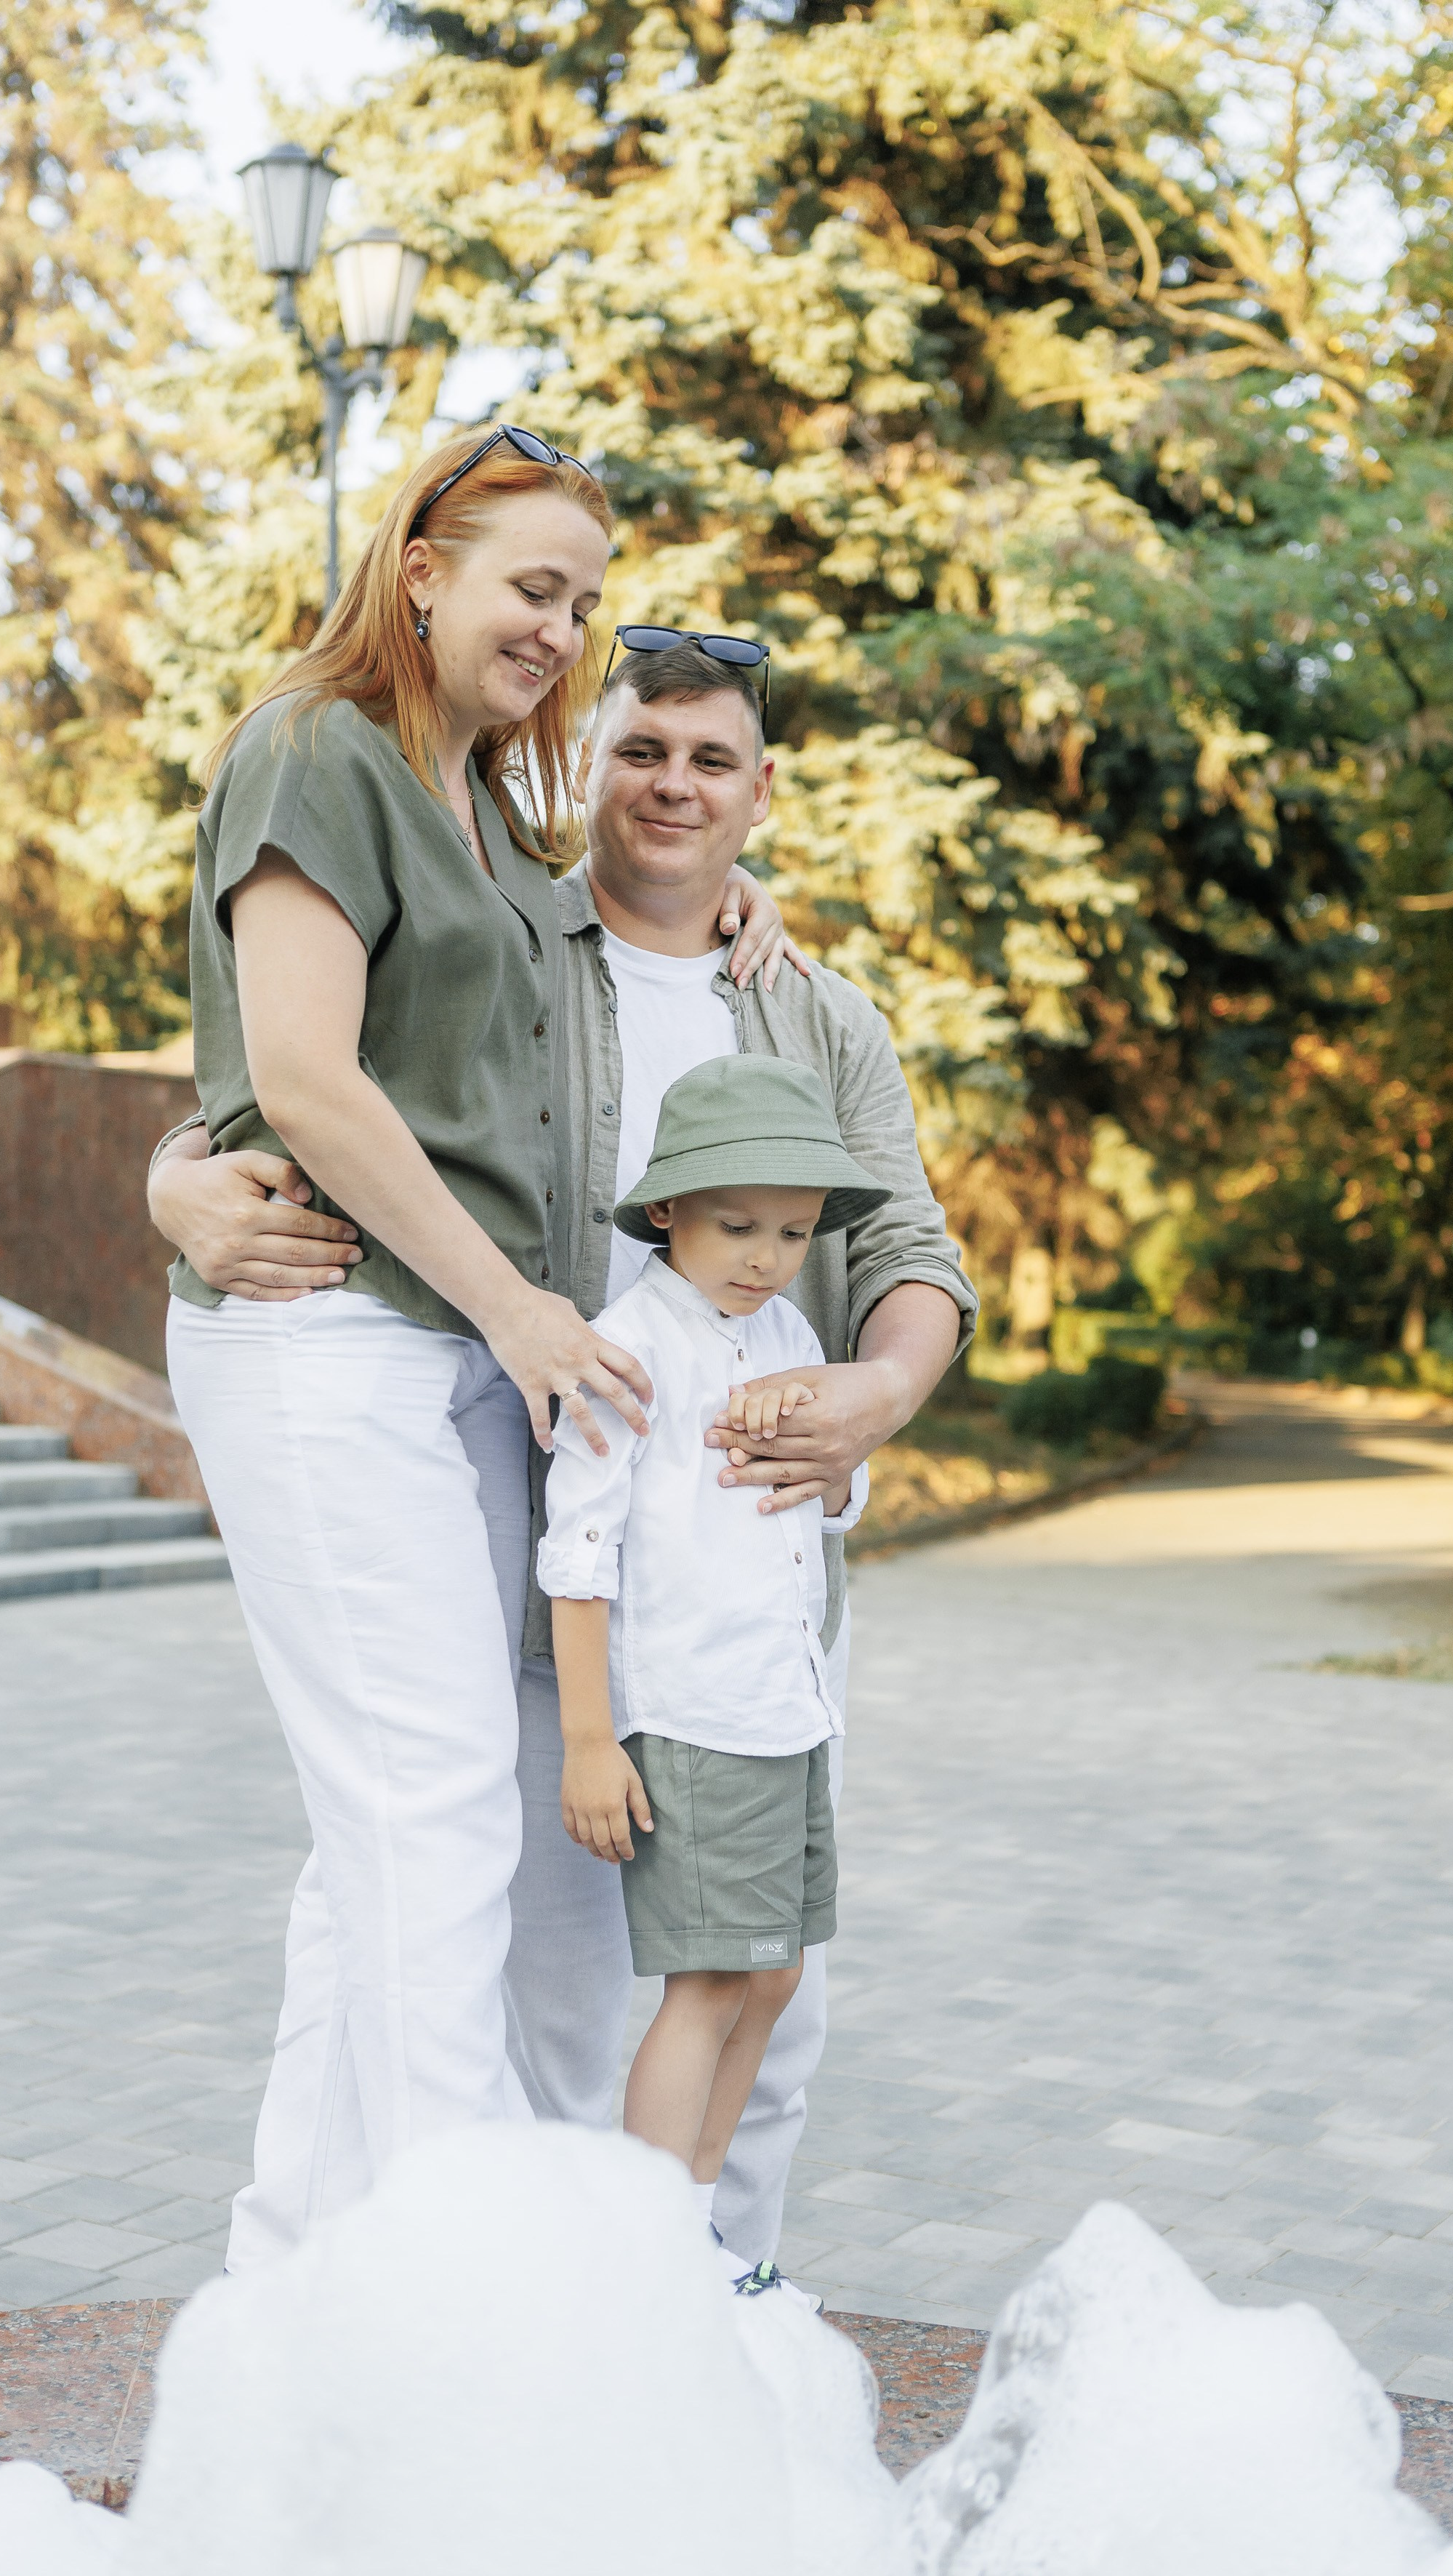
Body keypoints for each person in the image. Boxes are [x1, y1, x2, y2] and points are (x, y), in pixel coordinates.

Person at [150, 635, 977, 2280]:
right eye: (641, 748)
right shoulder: (517, 943)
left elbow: (911, 1248)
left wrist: (881, 1394)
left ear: (760, 792)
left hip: (752, 1590)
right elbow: (312, 1078)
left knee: (761, 1985)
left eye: (712, 759)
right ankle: (537, 2324)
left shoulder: (814, 1010)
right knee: (534, 1974)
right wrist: (173, 1169)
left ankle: (712, 2304)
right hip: (551, 1571)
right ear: (583, 765)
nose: (673, 785)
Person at [162, 423, 666, 2274]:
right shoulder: (319, 749)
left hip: (457, 1357)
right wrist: (518, 1306)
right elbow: (296, 1073)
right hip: (332, 1338)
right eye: (533, 584)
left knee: (382, 1839)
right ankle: (461, 2296)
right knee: (435, 1811)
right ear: (424, 564)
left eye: (584, 602)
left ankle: (290, 2284)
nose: (560, 627)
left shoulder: (506, 825)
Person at [540, 1056, 890, 2310]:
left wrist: (840, 1472)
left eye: (793, 1231)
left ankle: (698, 2218)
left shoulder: (785, 1332)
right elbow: (577, 1554)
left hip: (784, 1704)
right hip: (692, 1717)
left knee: (777, 1972)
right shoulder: (629, 1350)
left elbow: (824, 1500)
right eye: (737, 1224)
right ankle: (650, 2243)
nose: (764, 1253)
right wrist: (593, 1740)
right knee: (710, 1981)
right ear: (668, 1213)